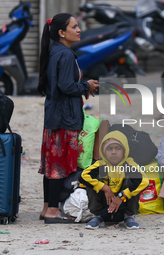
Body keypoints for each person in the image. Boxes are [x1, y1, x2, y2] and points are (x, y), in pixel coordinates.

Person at [37, 13, 99, 224]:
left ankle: (47, 207)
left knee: (52, 165)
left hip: (55, 117)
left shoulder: (55, 52)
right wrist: (86, 86)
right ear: (62, 33)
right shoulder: (65, 55)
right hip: (64, 119)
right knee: (59, 166)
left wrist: (82, 88)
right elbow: (66, 86)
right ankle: (54, 211)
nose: (79, 30)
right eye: (74, 27)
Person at [79, 131, 149, 229]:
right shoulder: (101, 164)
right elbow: (83, 176)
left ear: (124, 150)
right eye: (109, 148)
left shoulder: (129, 164)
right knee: (92, 180)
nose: (114, 152)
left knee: (135, 181)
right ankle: (97, 217)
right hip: (104, 207)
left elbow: (144, 181)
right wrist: (105, 188)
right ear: (103, 151)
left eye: (118, 148)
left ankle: (129, 216)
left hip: (123, 206)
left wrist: (122, 196)